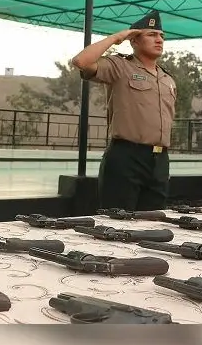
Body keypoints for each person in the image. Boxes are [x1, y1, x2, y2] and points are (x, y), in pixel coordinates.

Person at [70, 11, 177, 211]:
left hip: (160, 160)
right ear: (134, 41)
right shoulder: (120, 66)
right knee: (119, 223)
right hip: (126, 157)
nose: (159, 40)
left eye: (162, 36)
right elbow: (81, 62)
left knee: (153, 224)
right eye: (152, 35)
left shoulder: (167, 79)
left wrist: (162, 164)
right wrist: (116, 38)